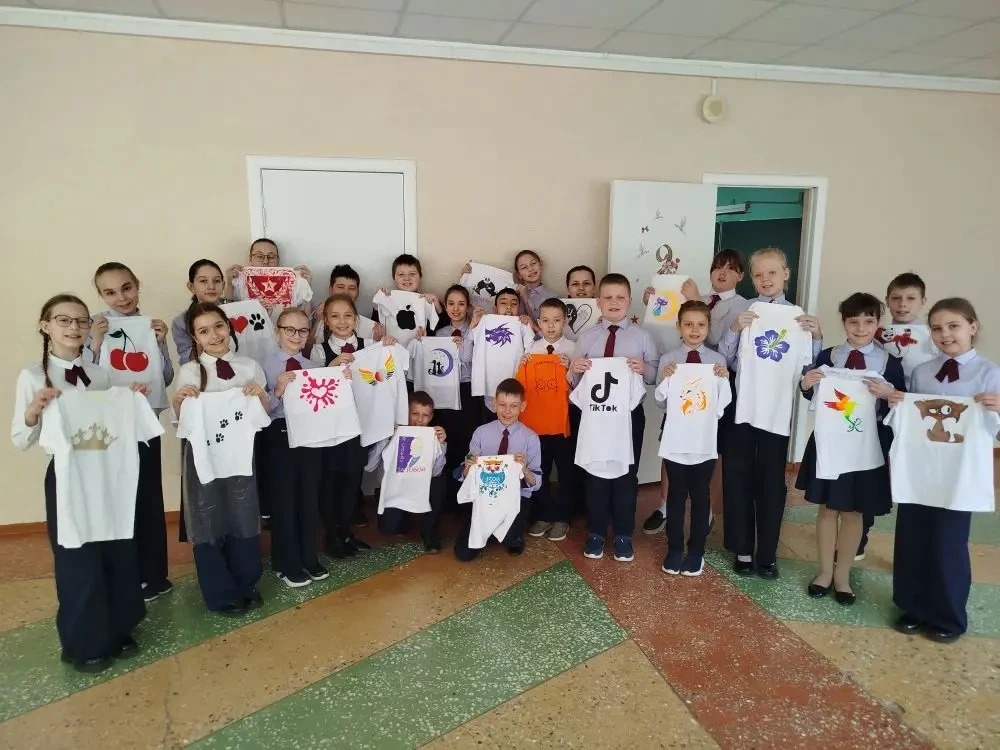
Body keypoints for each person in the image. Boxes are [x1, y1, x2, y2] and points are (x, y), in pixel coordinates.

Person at [12, 294, 148, 672]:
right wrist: (34, 410)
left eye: (81, 321)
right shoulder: (32, 376)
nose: (74, 328)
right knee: (78, 558)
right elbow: (21, 439)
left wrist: (131, 401)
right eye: (64, 320)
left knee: (117, 548)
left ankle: (120, 627)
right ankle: (84, 642)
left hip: (107, 472)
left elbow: (112, 423)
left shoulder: (100, 373)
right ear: (46, 326)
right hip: (68, 475)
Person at [889, 298, 1000, 643]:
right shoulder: (922, 372)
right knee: (912, 539)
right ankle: (912, 606)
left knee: (948, 543)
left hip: (958, 475)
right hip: (920, 471)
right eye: (937, 328)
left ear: (972, 327)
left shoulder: (989, 373)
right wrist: (898, 402)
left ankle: (948, 615)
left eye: (954, 326)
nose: (945, 334)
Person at [717, 247, 822, 579]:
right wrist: (735, 330)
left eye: (772, 273)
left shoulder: (798, 318)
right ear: (751, 278)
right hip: (743, 405)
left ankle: (767, 553)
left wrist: (816, 336)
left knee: (772, 482)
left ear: (785, 274)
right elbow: (726, 361)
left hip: (777, 408)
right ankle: (742, 549)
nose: (765, 280)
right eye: (759, 274)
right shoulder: (745, 311)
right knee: (737, 476)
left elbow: (808, 367)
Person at [796, 293, 903, 605]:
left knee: (855, 511)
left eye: (868, 321)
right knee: (828, 509)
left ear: (878, 323)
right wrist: (806, 383)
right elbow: (810, 394)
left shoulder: (889, 363)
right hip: (830, 441)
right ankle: (824, 572)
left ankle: (843, 576)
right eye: (853, 322)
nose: (860, 328)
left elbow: (901, 403)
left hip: (866, 445)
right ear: (843, 323)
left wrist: (889, 393)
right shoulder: (829, 356)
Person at [173, 302, 270, 616]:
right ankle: (219, 592)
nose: (214, 335)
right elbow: (181, 422)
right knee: (207, 519)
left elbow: (264, 414)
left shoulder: (249, 366)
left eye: (218, 326)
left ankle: (247, 582)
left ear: (228, 326)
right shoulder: (189, 372)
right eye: (204, 331)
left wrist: (262, 397)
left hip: (241, 453)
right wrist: (179, 402)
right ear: (195, 338)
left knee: (244, 515)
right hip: (203, 455)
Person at [643, 248, 747, 534]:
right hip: (678, 382)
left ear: (740, 275)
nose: (722, 272)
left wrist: (696, 299)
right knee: (670, 444)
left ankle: (707, 509)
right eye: (718, 266)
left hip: (712, 381)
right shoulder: (696, 298)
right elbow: (668, 324)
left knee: (710, 449)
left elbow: (720, 343)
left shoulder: (740, 305)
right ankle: (665, 506)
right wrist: (654, 305)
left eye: (730, 268)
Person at [88, 262, 174, 602]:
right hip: (111, 424)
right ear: (100, 295)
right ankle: (129, 575)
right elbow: (84, 378)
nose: (121, 297)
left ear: (137, 285)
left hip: (145, 421)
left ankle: (155, 573)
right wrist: (95, 342)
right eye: (110, 292)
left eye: (126, 288)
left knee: (150, 496)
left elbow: (164, 378)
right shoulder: (92, 326)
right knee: (122, 497)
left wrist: (161, 343)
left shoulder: (150, 325)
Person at [569, 273, 658, 563]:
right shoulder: (587, 337)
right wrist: (575, 370)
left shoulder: (642, 336)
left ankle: (623, 534)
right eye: (608, 297)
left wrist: (645, 369)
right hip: (594, 419)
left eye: (620, 297)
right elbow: (574, 382)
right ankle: (595, 532)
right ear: (599, 302)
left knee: (625, 475)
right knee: (595, 473)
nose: (614, 302)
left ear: (629, 301)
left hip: (629, 417)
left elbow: (656, 375)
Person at [654, 300, 730, 576]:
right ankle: (674, 549)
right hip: (676, 438)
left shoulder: (718, 361)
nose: (694, 330)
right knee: (676, 495)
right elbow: (661, 403)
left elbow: (722, 403)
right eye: (688, 324)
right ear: (679, 327)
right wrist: (666, 377)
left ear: (708, 327)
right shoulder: (669, 359)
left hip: (703, 439)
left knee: (700, 495)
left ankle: (696, 550)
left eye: (700, 325)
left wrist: (724, 378)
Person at [309, 293, 384, 557]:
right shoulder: (320, 351)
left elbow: (381, 377)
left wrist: (388, 346)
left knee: (353, 481)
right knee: (331, 481)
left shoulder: (369, 347)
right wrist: (331, 367)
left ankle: (346, 533)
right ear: (326, 321)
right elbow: (313, 390)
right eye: (335, 316)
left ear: (356, 319)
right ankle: (333, 536)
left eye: (348, 315)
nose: (342, 322)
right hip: (331, 428)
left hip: (359, 425)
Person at [262, 308, 328, 588]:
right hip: (279, 435)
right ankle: (286, 563)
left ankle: (309, 557)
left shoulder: (314, 368)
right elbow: (258, 410)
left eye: (302, 331)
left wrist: (340, 384)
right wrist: (277, 391)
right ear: (277, 331)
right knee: (284, 500)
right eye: (289, 329)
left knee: (309, 498)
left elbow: (324, 404)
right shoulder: (263, 366)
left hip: (309, 437)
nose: (296, 335)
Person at [454, 378, 541, 561]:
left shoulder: (531, 438)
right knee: (463, 553)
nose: (507, 411)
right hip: (484, 497)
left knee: (510, 539)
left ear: (523, 406)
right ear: (494, 404)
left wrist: (524, 470)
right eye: (502, 405)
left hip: (515, 498)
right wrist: (468, 466)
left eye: (513, 406)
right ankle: (486, 529)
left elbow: (536, 483)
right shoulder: (481, 433)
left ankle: (512, 535)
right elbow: (466, 475)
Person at [520, 298, 575, 542]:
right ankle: (543, 514)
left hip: (564, 422)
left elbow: (583, 386)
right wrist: (522, 366)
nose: (551, 326)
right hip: (536, 423)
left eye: (556, 320)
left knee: (565, 470)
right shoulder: (530, 351)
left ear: (565, 321)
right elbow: (521, 386)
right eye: (545, 320)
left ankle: (563, 517)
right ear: (538, 322)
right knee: (539, 468)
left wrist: (571, 368)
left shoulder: (574, 349)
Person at [373, 391, 448, 553]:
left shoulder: (432, 436)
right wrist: (386, 438)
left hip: (420, 487)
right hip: (395, 490)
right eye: (415, 414)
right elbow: (369, 466)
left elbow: (436, 473)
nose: (420, 420)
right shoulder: (392, 432)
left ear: (431, 417)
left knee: (439, 481)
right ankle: (403, 513)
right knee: (390, 529)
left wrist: (441, 446)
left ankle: (429, 531)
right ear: (405, 412)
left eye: (425, 415)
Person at [461, 287, 535, 419]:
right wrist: (473, 324)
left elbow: (532, 352)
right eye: (503, 303)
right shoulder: (483, 322)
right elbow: (465, 355)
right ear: (495, 309)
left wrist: (530, 325)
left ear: (519, 309)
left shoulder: (522, 325)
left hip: (514, 390)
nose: (509, 307)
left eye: (514, 304)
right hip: (489, 393)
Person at [433, 285, 479, 494]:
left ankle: (468, 491)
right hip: (447, 390)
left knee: (468, 437)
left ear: (468, 307)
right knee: (450, 437)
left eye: (461, 304)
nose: (456, 309)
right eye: (451, 304)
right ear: (445, 306)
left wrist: (467, 339)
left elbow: (468, 358)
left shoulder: (476, 328)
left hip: (470, 390)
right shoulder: (440, 333)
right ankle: (451, 493)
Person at [225, 238, 313, 316]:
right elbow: (229, 314)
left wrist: (307, 285)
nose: (265, 261)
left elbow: (306, 319)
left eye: (271, 257)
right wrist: (229, 285)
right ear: (250, 259)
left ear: (278, 260)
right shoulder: (238, 281)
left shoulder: (295, 280)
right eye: (259, 256)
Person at [171, 259, 229, 365]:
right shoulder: (181, 322)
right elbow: (187, 363)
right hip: (206, 372)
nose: (211, 287)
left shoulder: (238, 310)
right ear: (191, 287)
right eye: (203, 281)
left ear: (223, 285)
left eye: (217, 281)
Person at [513, 249, 557, 326]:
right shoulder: (513, 296)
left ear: (541, 264)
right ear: (519, 274)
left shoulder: (553, 297)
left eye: (533, 263)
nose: (530, 269)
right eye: (524, 267)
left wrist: (526, 299)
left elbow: (549, 328)